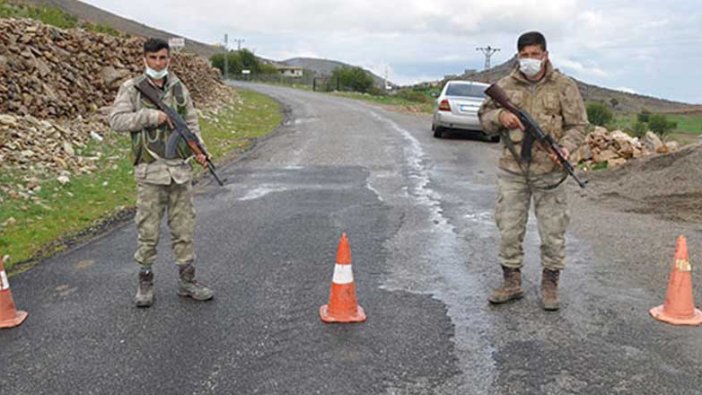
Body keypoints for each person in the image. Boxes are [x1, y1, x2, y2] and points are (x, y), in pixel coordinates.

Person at [478, 31, 588, 310]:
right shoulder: (504, 85)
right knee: (509, 228)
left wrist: (564, 148)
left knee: (553, 230)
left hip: (550, 172)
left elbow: (578, 126)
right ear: (518, 56)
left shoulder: (564, 86)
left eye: (535, 55)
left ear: (546, 55)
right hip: (513, 170)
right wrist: (501, 116)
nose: (530, 60)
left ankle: (550, 283)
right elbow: (484, 118)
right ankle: (511, 282)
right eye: (524, 55)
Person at [109, 38, 214, 307]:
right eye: (153, 58)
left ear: (169, 59)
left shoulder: (179, 88)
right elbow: (116, 121)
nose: (159, 63)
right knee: (148, 231)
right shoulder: (132, 88)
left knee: (184, 229)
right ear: (144, 58)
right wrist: (150, 117)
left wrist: (199, 150)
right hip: (150, 172)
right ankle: (145, 283)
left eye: (163, 58)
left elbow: (190, 123)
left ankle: (187, 281)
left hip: (179, 172)